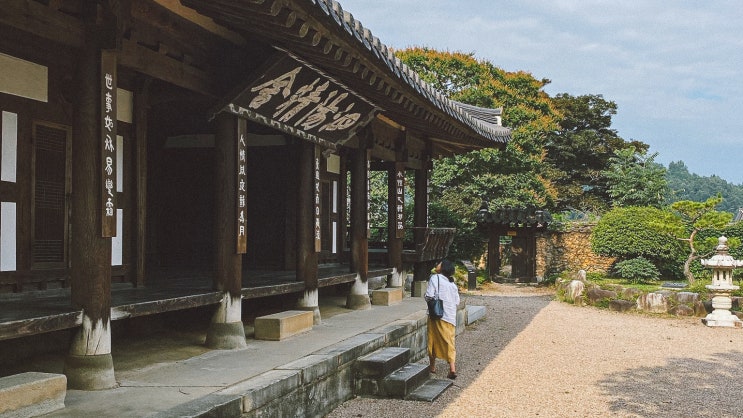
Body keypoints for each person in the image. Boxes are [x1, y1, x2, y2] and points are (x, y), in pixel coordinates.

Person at [425, 259, 460, 379]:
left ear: (443, 267)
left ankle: (432, 366)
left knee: (433, 339)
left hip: (437, 314)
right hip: (450, 316)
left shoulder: (435, 278)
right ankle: (452, 368)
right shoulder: (452, 284)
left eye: (439, 263)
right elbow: (457, 301)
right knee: (449, 341)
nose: (437, 265)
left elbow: (429, 295)